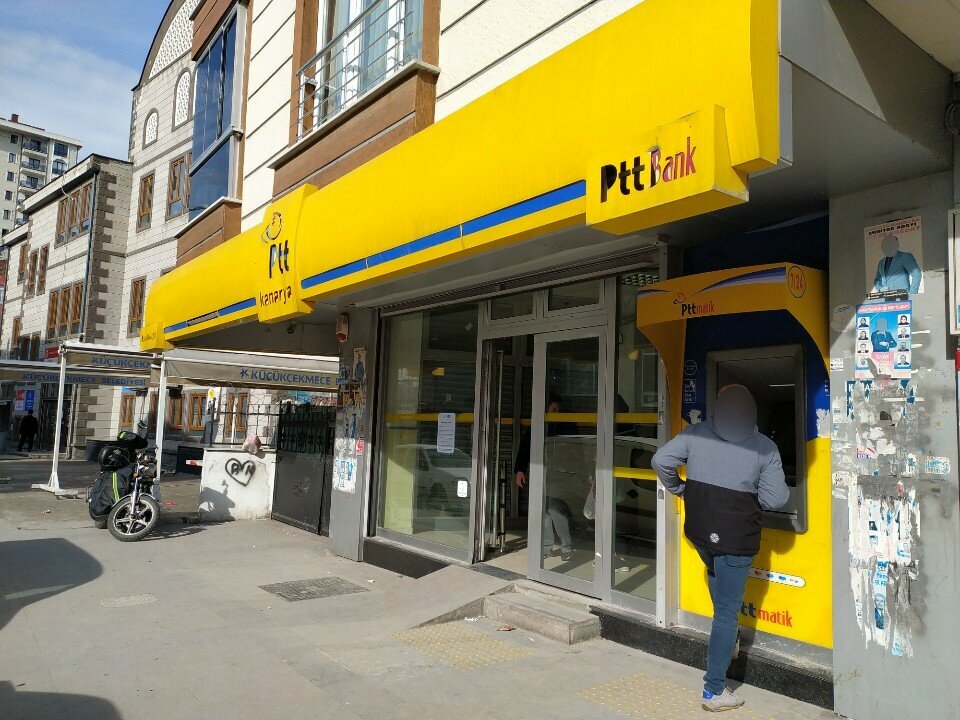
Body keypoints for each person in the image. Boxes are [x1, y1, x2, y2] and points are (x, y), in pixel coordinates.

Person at [651, 385, 788, 712]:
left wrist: (680, 489)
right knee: (727, 613)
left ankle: (728, 642)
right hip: (736, 540)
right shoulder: (765, 447)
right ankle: (714, 691)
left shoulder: (694, 434)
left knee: (716, 577)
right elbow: (776, 499)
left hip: (700, 535)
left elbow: (660, 460)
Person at [515, 391, 575, 561]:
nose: (557, 413)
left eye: (559, 410)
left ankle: (567, 546)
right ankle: (546, 546)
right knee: (543, 512)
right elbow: (525, 448)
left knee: (555, 510)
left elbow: (576, 451)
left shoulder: (567, 426)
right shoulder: (538, 425)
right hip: (541, 473)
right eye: (554, 410)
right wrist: (520, 470)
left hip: (559, 475)